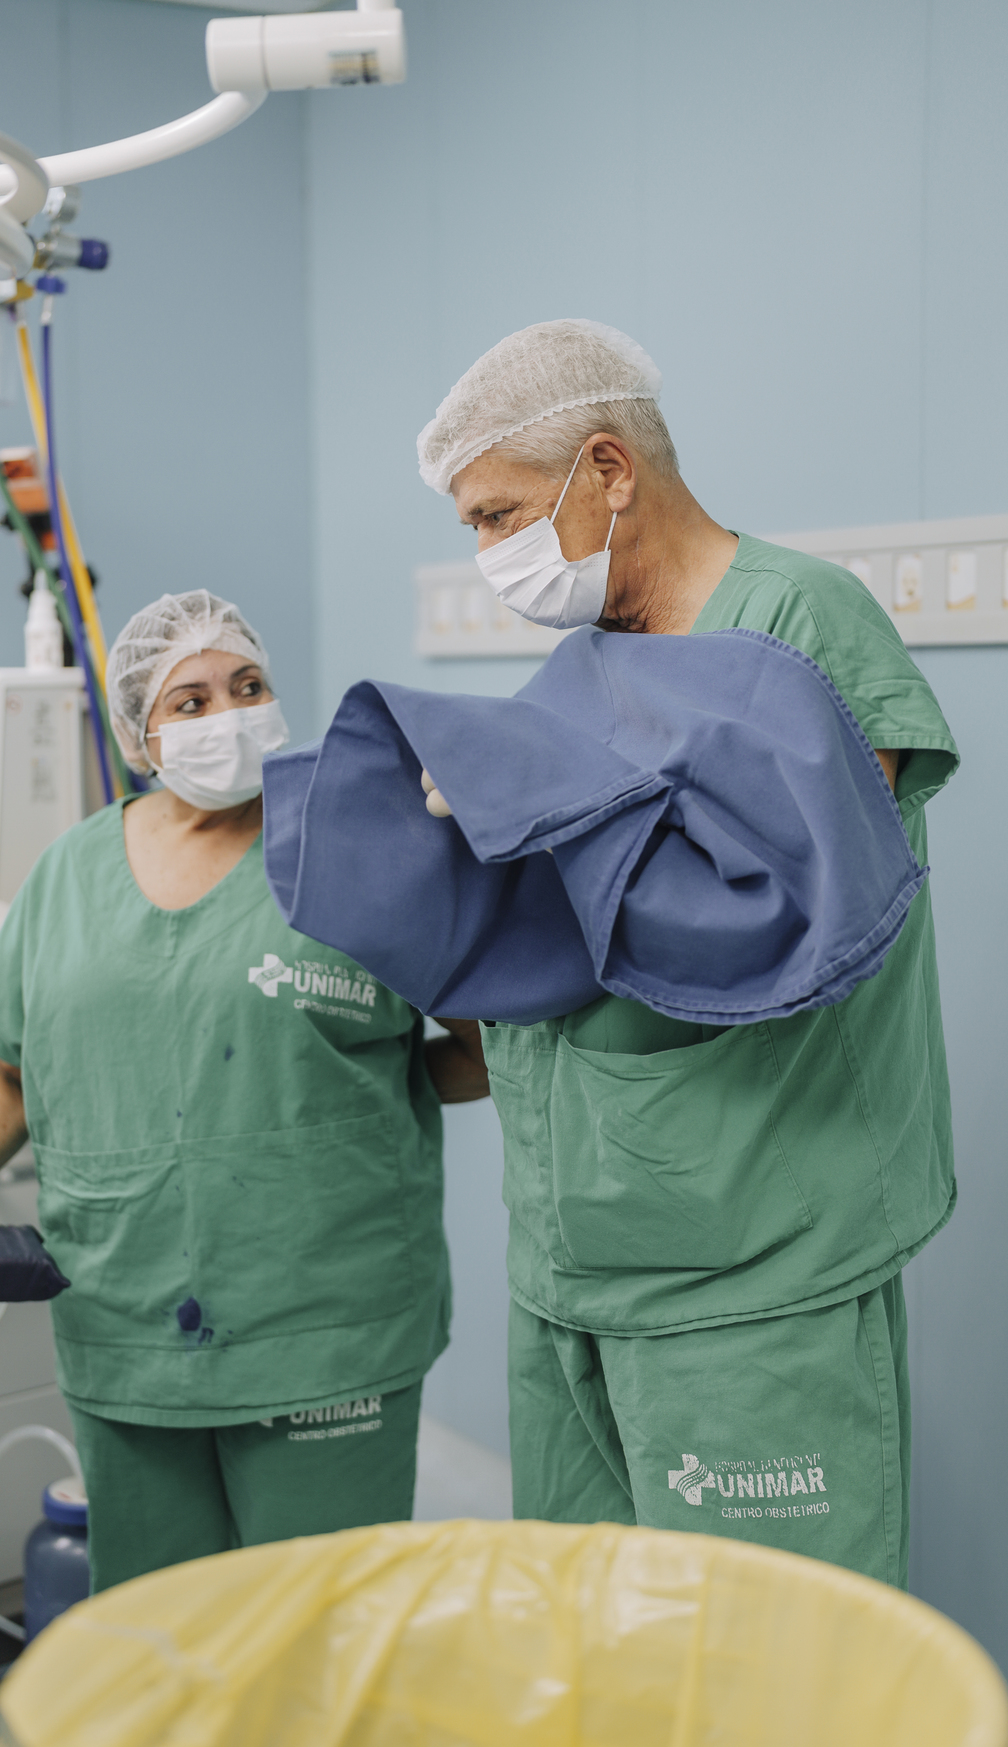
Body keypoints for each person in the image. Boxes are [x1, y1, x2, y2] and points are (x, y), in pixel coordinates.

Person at [412, 319, 959, 1587]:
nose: (490, 556)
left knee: (771, 1660)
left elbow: (793, 907)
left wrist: (542, 810)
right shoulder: (589, 661)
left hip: (750, 1259)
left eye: (499, 516)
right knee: (596, 1641)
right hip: (576, 1259)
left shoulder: (801, 622)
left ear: (607, 469)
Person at [0, 591, 485, 1593]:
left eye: (248, 686)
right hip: (127, 1328)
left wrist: (337, 1096)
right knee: (160, 1633)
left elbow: (480, 1049)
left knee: (318, 1629)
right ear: (141, 735)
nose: (230, 716)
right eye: (193, 700)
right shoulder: (71, 873)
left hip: (324, 1328)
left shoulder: (352, 847)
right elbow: (13, 1067)